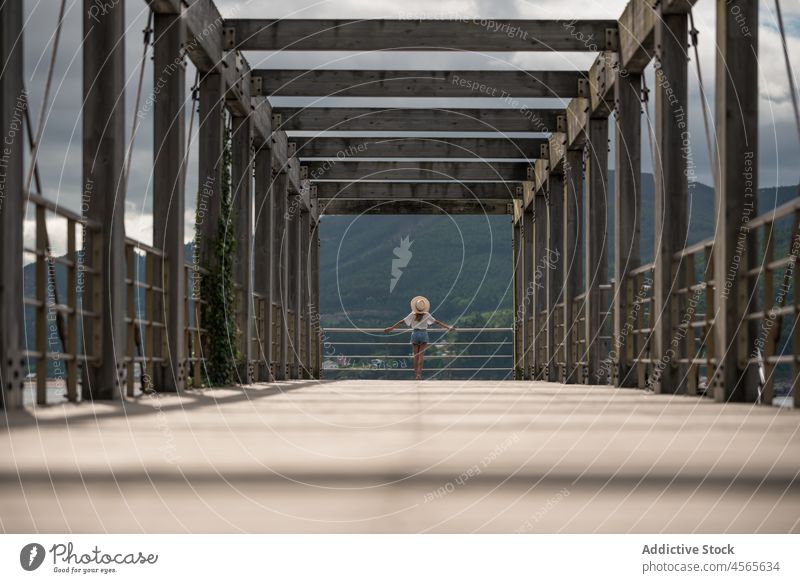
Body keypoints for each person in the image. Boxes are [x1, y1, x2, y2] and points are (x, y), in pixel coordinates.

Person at [384, 296, 454, 381]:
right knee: (421, 355)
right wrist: (448, 328)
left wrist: (391, 328)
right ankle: (419, 375)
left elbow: (402, 321)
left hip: (415, 333)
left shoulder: (412, 314)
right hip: (424, 334)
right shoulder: (427, 315)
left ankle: (416, 374)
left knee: (415, 356)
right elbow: (437, 322)